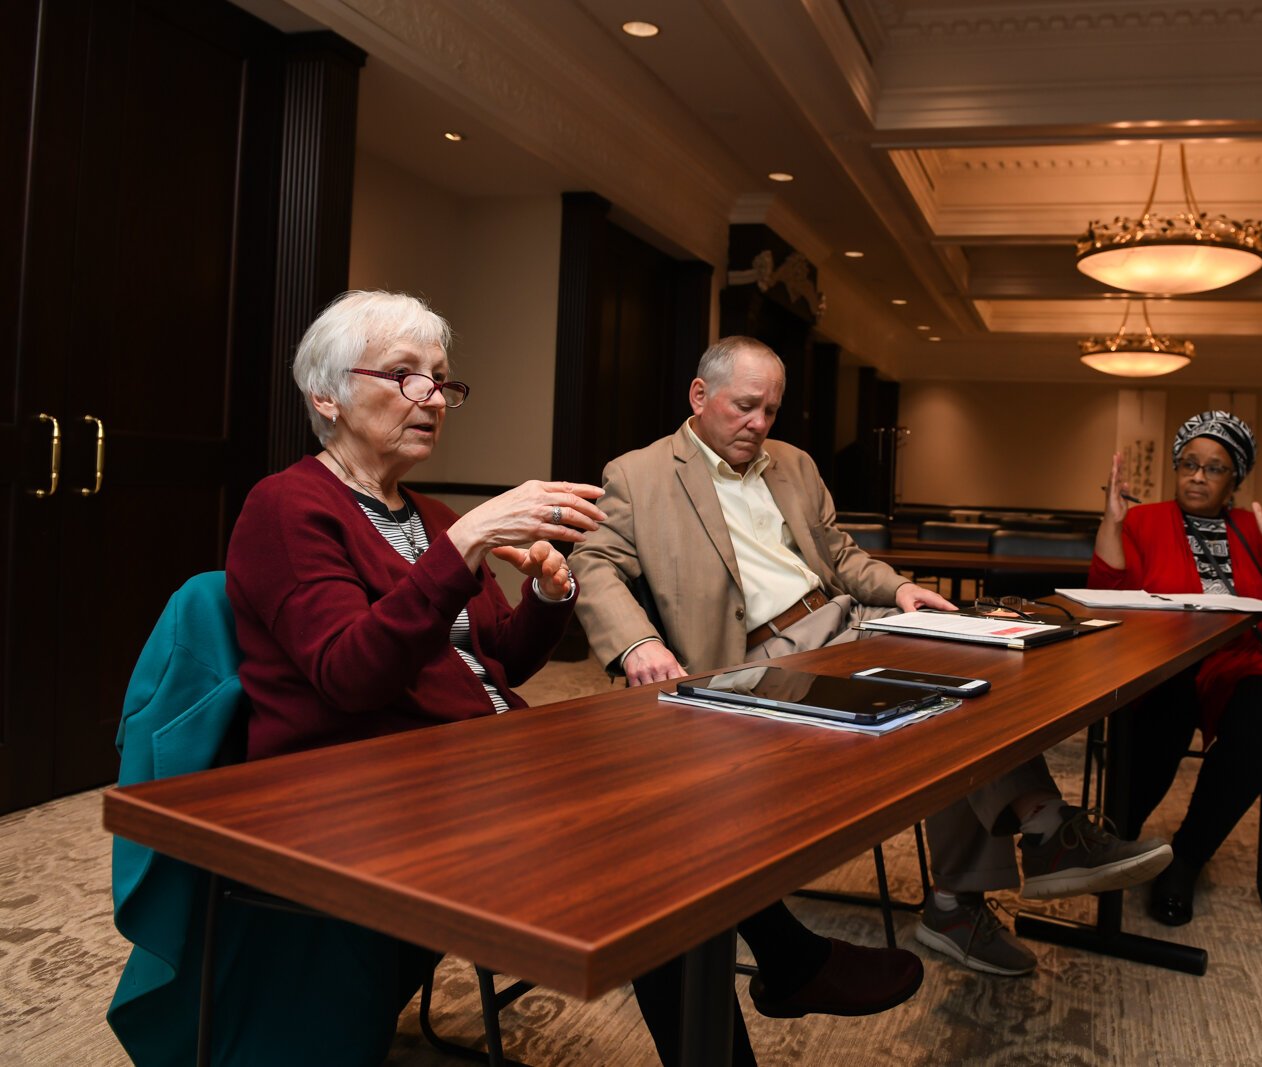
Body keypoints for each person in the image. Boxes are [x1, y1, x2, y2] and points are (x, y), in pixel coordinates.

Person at [225, 292, 913, 1066]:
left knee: (676, 793)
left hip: (475, 759)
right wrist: (467, 547)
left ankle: (788, 965)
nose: (433, 398)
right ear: (326, 394)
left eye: (442, 380)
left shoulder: (429, 514)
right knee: (655, 841)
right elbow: (348, 675)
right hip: (368, 783)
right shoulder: (287, 506)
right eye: (405, 375)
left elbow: (501, 665)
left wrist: (550, 594)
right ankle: (791, 963)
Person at [571, 335, 1171, 979]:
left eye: (771, 410)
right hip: (760, 658)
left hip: (847, 621)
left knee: (982, 669)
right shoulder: (639, 473)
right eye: (745, 407)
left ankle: (990, 876)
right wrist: (638, 643)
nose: (758, 424)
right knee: (936, 705)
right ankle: (1023, 850)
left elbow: (839, 552)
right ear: (699, 395)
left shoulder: (792, 464)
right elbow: (594, 561)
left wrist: (899, 587)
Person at [1089, 410, 1262, 926]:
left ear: (1234, 480)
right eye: (1189, 463)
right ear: (1175, 466)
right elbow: (1106, 597)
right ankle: (1115, 844)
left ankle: (1186, 860)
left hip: (1238, 660)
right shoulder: (1142, 519)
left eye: (1214, 468)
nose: (1197, 476)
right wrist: (1111, 524)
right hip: (1160, 658)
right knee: (1162, 709)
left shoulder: (1255, 528)